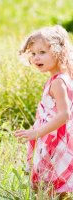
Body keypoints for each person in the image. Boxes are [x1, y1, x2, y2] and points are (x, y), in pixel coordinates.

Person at [15, 25, 73, 198]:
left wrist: (36, 133)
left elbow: (64, 115)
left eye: (42, 52)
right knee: (53, 186)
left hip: (54, 139)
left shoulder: (58, 82)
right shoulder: (62, 78)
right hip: (52, 136)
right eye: (33, 53)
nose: (36, 58)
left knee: (47, 184)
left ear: (58, 51)